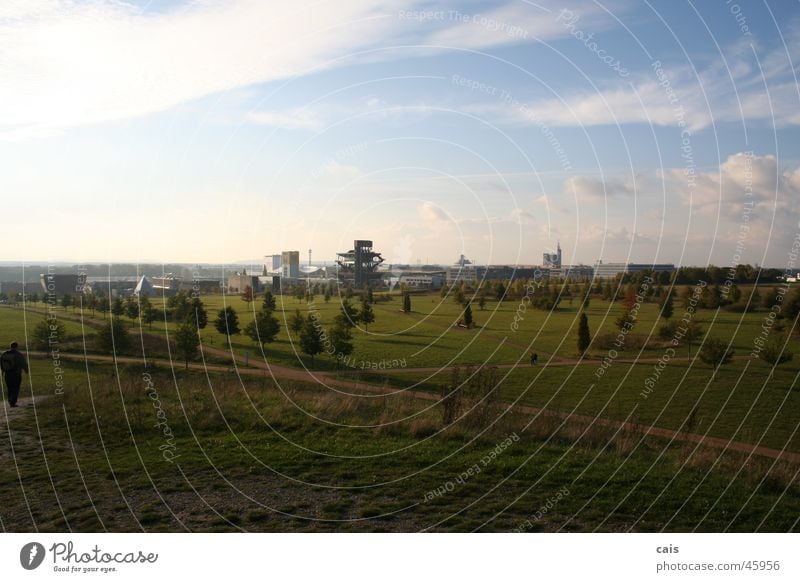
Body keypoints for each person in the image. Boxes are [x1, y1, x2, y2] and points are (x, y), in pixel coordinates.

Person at [1, 342, 28, 407]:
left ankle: (10, 401)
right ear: (16, 346)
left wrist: (3, 371)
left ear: (11, 346)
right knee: (15, 387)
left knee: (9, 388)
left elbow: (1, 363)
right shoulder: (18, 354)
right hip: (16, 374)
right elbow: (23, 363)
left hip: (7, 374)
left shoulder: (4, 354)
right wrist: (26, 370)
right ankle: (13, 402)